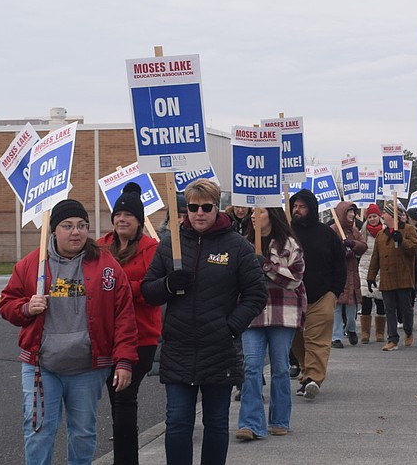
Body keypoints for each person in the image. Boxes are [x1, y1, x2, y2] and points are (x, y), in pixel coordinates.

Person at [0, 199, 139, 465]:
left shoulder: (106, 265)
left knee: (83, 434)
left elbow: (124, 316)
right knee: (38, 431)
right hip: (42, 366)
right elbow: (7, 304)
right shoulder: (32, 264)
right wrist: (27, 307)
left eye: (82, 225)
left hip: (89, 366)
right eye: (67, 226)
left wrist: (123, 361)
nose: (76, 232)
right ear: (53, 230)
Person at [141, 179, 267, 465]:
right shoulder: (170, 244)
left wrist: (231, 326)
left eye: (206, 207)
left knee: (216, 423)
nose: (199, 213)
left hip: (219, 350)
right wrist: (168, 285)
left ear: (216, 207)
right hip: (179, 349)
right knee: (177, 423)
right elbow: (148, 291)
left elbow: (256, 295)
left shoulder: (237, 246)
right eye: (193, 207)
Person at [96, 183, 161, 465]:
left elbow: (153, 290)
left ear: (139, 221)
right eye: (118, 214)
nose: (122, 219)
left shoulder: (153, 249)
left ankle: (125, 457)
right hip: (104, 336)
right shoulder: (99, 247)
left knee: (124, 398)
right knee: (115, 399)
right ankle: (123, 441)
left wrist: (120, 290)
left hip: (141, 336)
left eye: (129, 216)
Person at [236, 206, 307, 441]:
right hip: (252, 313)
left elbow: (295, 278)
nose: (255, 216)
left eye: (261, 211)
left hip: (281, 312)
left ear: (273, 214)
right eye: (253, 212)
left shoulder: (288, 244)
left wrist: (267, 266)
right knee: (251, 367)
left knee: (280, 368)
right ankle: (250, 423)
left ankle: (279, 420)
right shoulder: (242, 243)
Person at [288, 189, 346, 400]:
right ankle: (305, 370)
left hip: (321, 296)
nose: (297, 210)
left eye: (302, 206)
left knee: (317, 340)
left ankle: (312, 379)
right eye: (295, 206)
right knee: (297, 339)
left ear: (311, 209)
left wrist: (334, 291)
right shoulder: (286, 232)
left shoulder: (327, 234)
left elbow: (340, 264)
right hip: (291, 297)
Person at [367, 203, 417, 351]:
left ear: (392, 216)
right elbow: (375, 258)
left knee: (405, 308)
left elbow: (415, 249)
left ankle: (408, 330)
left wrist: (402, 241)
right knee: (389, 309)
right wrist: (371, 276)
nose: (382, 216)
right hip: (387, 278)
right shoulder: (381, 235)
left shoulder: (409, 230)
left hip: (403, 277)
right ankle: (392, 339)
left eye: (385, 213)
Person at [331, 201, 367, 348]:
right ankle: (336, 337)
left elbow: (363, 245)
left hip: (352, 272)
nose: (352, 215)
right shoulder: (333, 230)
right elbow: (328, 249)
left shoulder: (354, 231)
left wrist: (352, 245)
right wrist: (340, 251)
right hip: (338, 272)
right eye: (349, 212)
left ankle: (351, 329)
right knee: (337, 306)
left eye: (353, 212)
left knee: (352, 306)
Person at [357, 203, 387, 343]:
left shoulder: (386, 231)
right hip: (365, 268)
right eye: (369, 217)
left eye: (374, 216)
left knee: (381, 301)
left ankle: (380, 332)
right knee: (366, 300)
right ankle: (365, 333)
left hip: (381, 269)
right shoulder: (363, 232)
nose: (372, 219)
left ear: (379, 217)